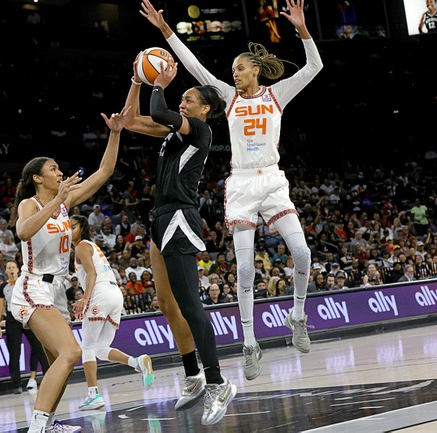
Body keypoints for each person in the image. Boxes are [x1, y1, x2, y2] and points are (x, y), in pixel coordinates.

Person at [141, 0, 322, 381]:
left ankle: (299, 316)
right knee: (243, 267)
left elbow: (314, 66)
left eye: (240, 68)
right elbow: (194, 67)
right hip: (241, 182)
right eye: (233, 70)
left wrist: (303, 30)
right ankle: (249, 343)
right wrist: (165, 30)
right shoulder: (231, 98)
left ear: (255, 69)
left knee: (303, 252)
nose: (234, 74)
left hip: (272, 179)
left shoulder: (277, 95)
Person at [122, 49, 235, 426]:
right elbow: (129, 120)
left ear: (204, 109)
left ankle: (218, 382)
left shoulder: (200, 130)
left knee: (190, 306)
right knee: (167, 305)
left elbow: (157, 112)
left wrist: (158, 84)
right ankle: (193, 376)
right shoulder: (174, 133)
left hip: (180, 218)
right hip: (160, 220)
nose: (182, 102)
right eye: (180, 97)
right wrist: (137, 81)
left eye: (188, 99)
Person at [7, 108, 128, 433]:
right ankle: (37, 427)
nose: (59, 172)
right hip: (32, 287)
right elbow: (23, 232)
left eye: (59, 168)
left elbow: (104, 171)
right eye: (53, 169)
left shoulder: (63, 202)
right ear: (37, 178)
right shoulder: (30, 204)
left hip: (56, 290)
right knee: (72, 351)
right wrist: (57, 199)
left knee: (55, 365)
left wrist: (115, 133)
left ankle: (48, 423)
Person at [70, 214, 154, 411]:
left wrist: (85, 298)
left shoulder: (82, 246)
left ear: (80, 228)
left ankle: (94, 395)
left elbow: (92, 273)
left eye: (71, 226)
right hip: (114, 294)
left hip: (99, 293)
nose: (67, 229)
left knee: (87, 347)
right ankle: (137, 362)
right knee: (100, 348)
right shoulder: (90, 246)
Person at [0, 260, 50, 394]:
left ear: (18, 269)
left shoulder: (24, 283)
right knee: (14, 353)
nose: (11, 269)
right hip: (12, 319)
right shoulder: (3, 287)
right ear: (6, 271)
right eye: (9, 268)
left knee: (39, 349)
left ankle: (49, 378)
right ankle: (16, 384)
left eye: (13, 267)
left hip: (27, 316)